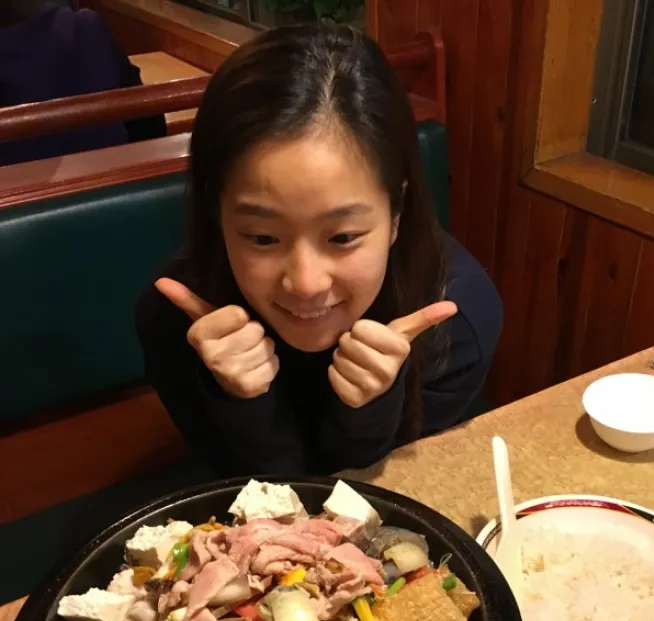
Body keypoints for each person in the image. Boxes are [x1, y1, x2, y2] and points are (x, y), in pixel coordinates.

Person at [135, 22, 502, 477]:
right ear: (216, 213)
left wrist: (369, 409)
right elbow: (250, 494)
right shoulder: (174, 321)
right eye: (263, 237)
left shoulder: (456, 326)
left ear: (396, 213)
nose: (306, 284)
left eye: (343, 237)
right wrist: (239, 401)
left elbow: (392, 491)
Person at [0, 0, 165, 166]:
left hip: (102, 176)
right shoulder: (86, 26)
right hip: (119, 176)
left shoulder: (84, 28)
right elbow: (150, 125)